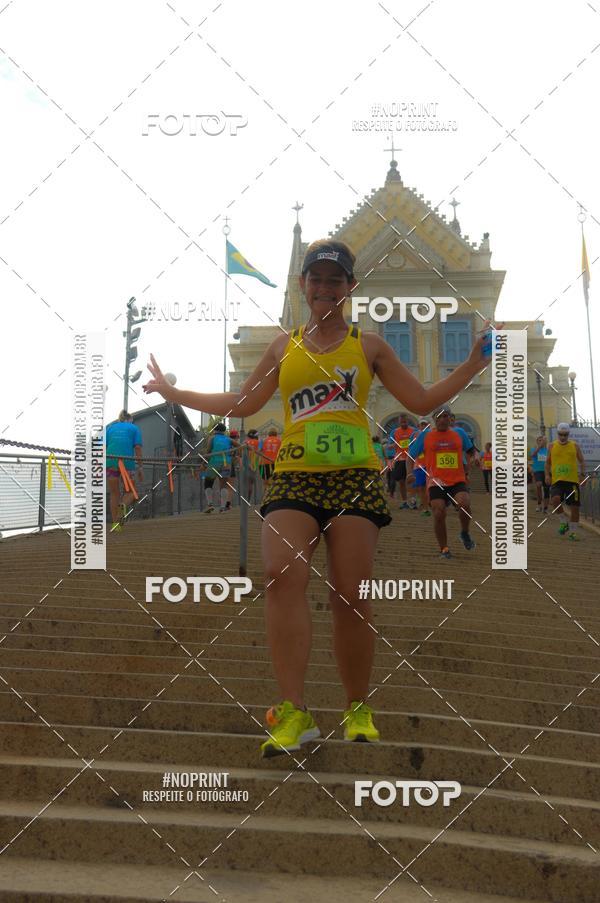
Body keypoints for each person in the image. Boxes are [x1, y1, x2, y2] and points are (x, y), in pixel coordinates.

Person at [143, 238, 493, 758]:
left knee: (350, 595)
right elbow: (244, 401)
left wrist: (473, 364)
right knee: (280, 574)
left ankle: (356, 707)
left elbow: (418, 399)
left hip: (353, 477)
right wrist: (179, 395)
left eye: (336, 279)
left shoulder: (369, 345)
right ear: (303, 285)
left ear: (350, 288)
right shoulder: (285, 346)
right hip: (294, 476)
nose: (325, 287)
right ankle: (294, 712)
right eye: (316, 278)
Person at [408, 406, 477, 558]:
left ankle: (464, 533)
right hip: (435, 481)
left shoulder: (459, 433)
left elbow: (471, 450)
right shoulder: (425, 435)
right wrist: (409, 473)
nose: (443, 419)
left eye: (446, 416)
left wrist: (474, 458)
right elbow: (410, 455)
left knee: (464, 504)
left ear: (450, 418)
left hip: (457, 479)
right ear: (435, 419)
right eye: (440, 416)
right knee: (439, 513)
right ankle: (444, 549)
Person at [545, 423, 585, 541]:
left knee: (575, 508)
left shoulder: (575, 445)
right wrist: (547, 475)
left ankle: (573, 532)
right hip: (557, 480)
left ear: (568, 434)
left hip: (572, 481)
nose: (563, 437)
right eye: (560, 434)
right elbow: (547, 462)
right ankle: (563, 522)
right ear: (557, 434)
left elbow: (582, 461)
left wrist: (582, 475)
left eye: (565, 435)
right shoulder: (552, 446)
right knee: (555, 500)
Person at [105, 410, 143, 532]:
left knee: (114, 493)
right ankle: (123, 507)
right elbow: (137, 447)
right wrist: (140, 467)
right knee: (132, 492)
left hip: (110, 462)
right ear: (130, 420)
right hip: (127, 463)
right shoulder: (134, 428)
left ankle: (116, 525)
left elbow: (103, 447)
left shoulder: (110, 428)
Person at [203, 423, 238, 513]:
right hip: (226, 463)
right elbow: (239, 446)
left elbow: (208, 451)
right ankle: (222, 507)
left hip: (214, 463)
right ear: (224, 431)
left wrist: (203, 463)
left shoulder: (212, 438)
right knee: (223, 485)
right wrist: (233, 454)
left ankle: (210, 504)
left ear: (214, 430)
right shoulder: (228, 439)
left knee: (208, 482)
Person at [390, 413, 416, 509]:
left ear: (408, 421)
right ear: (399, 422)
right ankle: (405, 501)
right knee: (401, 481)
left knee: (411, 480)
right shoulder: (394, 432)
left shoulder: (413, 431)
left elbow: (418, 443)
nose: (403, 424)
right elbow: (390, 445)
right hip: (400, 459)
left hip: (411, 459)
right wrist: (393, 445)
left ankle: (413, 500)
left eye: (405, 422)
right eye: (401, 422)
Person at [407, 417, 431, 515]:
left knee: (429, 486)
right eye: (422, 424)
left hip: (430, 464)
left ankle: (428, 502)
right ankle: (424, 506)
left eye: (425, 424)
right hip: (419, 464)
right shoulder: (415, 434)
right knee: (421, 486)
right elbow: (411, 449)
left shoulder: (431, 434)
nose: (424, 426)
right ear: (419, 426)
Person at [529, 435, 549, 512]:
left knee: (546, 489)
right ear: (537, 442)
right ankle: (539, 504)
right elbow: (532, 455)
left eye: (542, 440)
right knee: (539, 485)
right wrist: (539, 447)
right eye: (539, 440)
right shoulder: (534, 449)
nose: (541, 442)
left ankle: (545, 508)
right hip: (537, 470)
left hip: (546, 471)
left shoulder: (547, 450)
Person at [245, 428, 262, 504]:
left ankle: (246, 501)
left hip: (245, 464)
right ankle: (253, 501)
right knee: (254, 483)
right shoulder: (259, 442)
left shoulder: (245, 442)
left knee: (247, 484)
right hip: (255, 464)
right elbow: (261, 451)